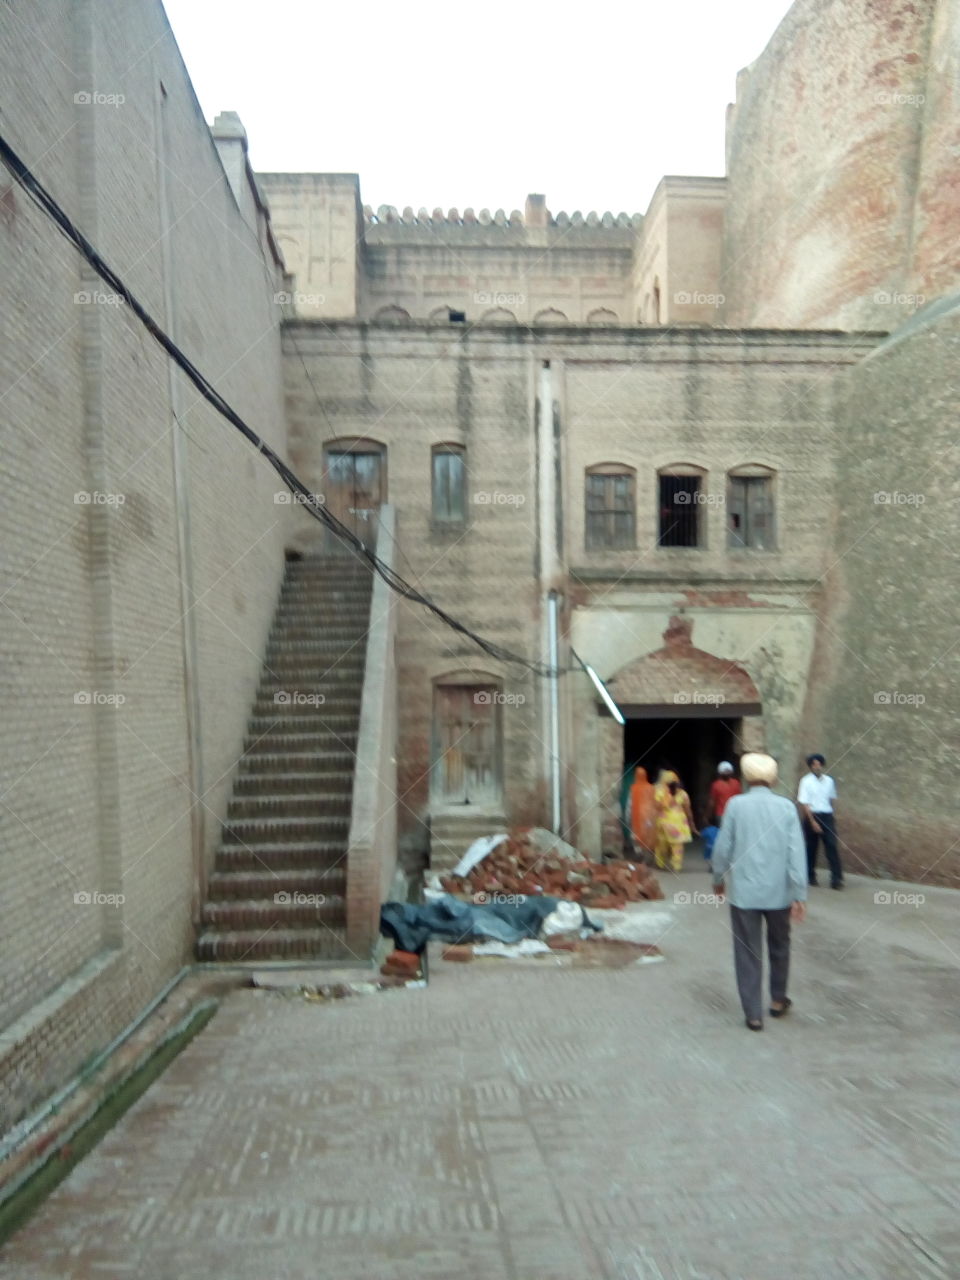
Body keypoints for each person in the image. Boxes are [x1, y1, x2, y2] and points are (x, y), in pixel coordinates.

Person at [711, 752, 808, 1031]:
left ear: (745, 777)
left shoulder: (735, 806)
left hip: (745, 894)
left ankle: (753, 1013)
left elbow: (722, 847)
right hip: (779, 893)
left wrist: (718, 879)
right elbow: (795, 852)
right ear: (773, 778)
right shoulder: (786, 808)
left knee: (747, 951)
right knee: (780, 946)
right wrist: (799, 893)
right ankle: (778, 1000)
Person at [797, 753, 843, 889]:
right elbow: (804, 803)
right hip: (812, 815)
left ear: (822, 765)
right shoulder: (805, 781)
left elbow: (831, 799)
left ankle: (836, 879)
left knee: (832, 846)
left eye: (819, 764)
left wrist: (831, 815)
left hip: (827, 816)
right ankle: (810, 875)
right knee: (811, 847)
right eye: (814, 764)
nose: (817, 767)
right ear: (810, 766)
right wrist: (812, 822)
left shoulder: (829, 781)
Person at [653, 769, 697, 872]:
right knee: (677, 846)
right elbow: (688, 810)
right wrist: (691, 823)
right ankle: (676, 866)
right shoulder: (683, 794)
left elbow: (656, 807)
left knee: (661, 845)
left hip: (664, 822)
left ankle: (660, 863)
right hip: (679, 823)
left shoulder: (660, 793)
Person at [628, 766, 657, 860]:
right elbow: (654, 802)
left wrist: (627, 815)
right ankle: (648, 855)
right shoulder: (651, 788)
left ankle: (639, 852)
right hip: (648, 815)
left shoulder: (633, 788)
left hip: (636, 815)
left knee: (636, 835)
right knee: (648, 835)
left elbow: (630, 803)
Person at [706, 761, 741, 825]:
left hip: (721, 814)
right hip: (735, 814)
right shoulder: (736, 783)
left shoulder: (716, 785)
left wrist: (708, 816)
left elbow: (712, 803)